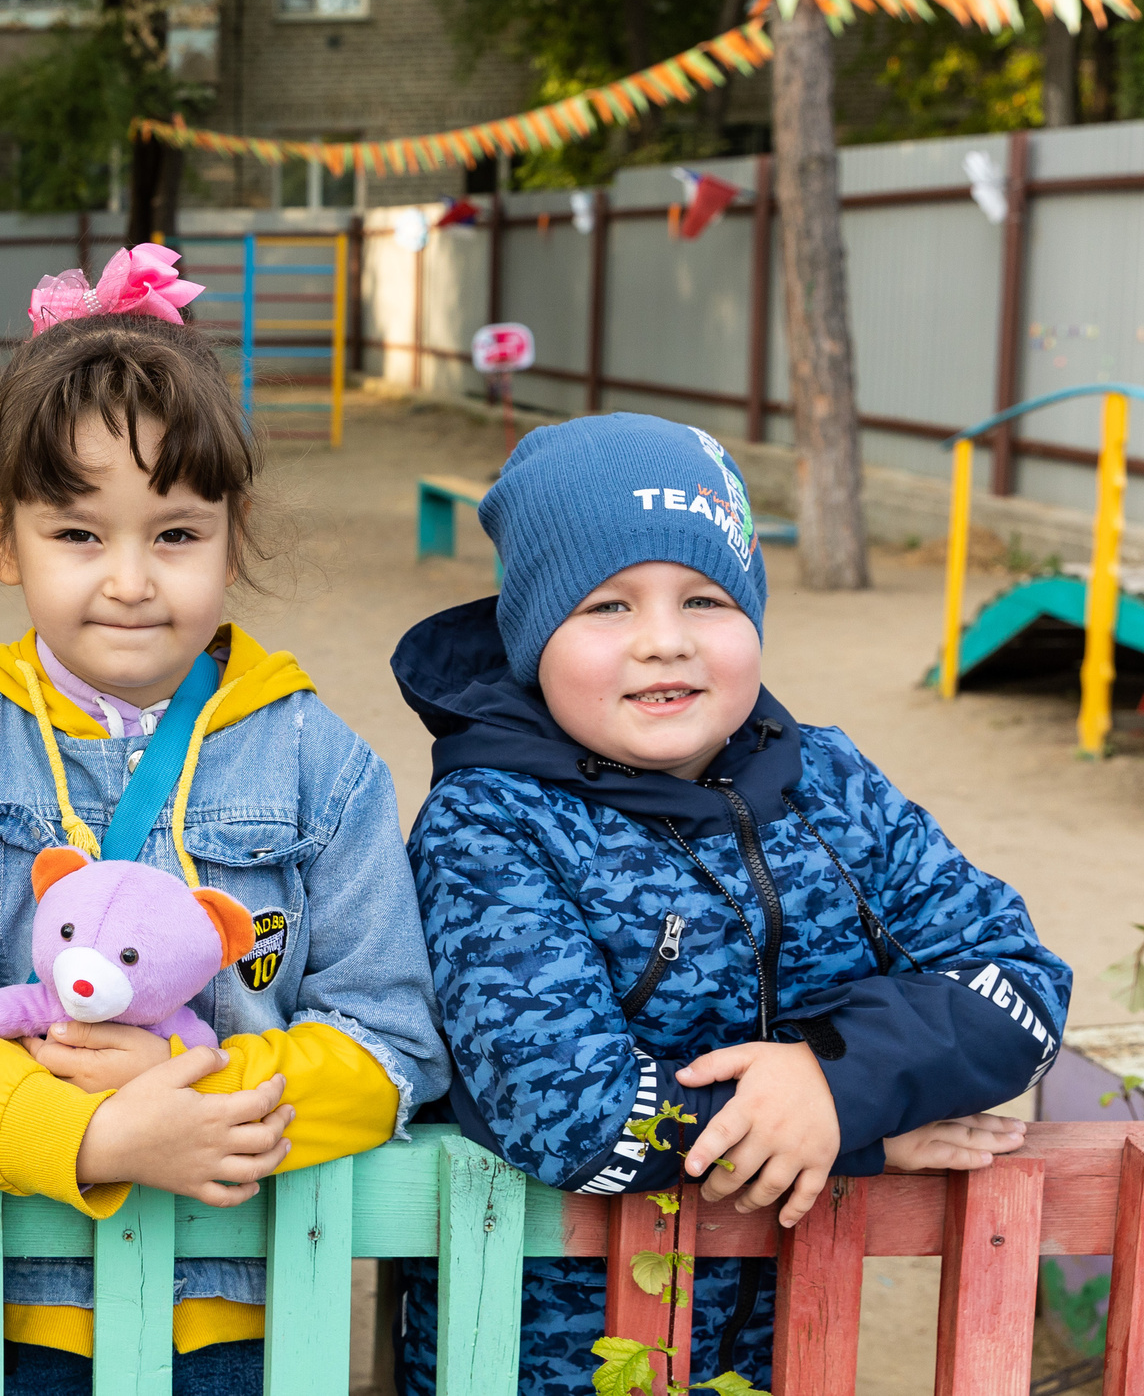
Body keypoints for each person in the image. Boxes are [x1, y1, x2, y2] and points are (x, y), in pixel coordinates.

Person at [0, 248, 449, 1392]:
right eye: (78, 535)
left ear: (234, 529)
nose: (129, 579)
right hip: (13, 1302)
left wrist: (197, 1104)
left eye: (174, 534)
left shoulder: (325, 764)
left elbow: (393, 1039)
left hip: (239, 1314)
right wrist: (84, 1135)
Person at [392, 412, 1068, 1396]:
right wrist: (859, 1131)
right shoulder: (487, 826)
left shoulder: (828, 782)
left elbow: (1020, 989)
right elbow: (571, 1115)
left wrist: (837, 1084)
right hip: (537, 1361)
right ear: (532, 630)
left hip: (786, 1350)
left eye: (705, 598)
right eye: (606, 607)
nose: (663, 642)